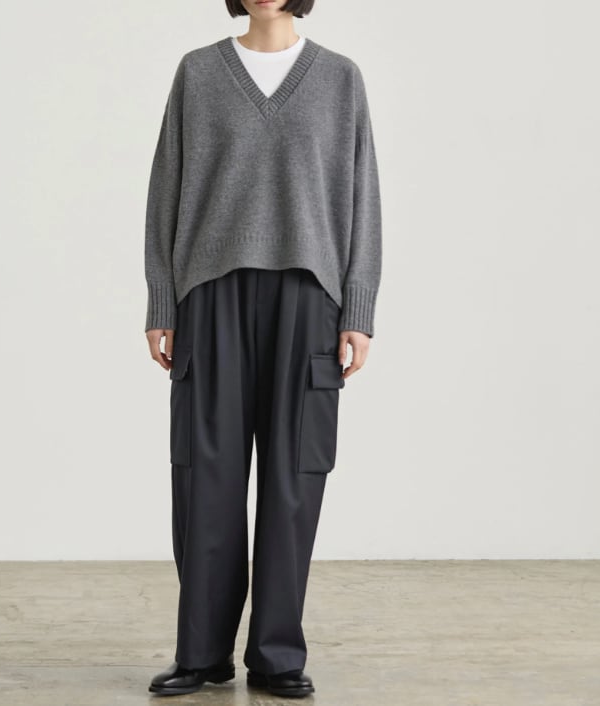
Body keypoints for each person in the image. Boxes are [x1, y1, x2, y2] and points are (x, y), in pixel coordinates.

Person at [143, 0, 382, 697]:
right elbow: (165, 191)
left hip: (309, 296)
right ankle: (202, 654)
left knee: (293, 480)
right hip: (209, 292)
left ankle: (277, 657)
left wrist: (358, 308)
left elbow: (363, 198)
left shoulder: (339, 79)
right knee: (205, 477)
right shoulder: (198, 74)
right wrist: (162, 301)